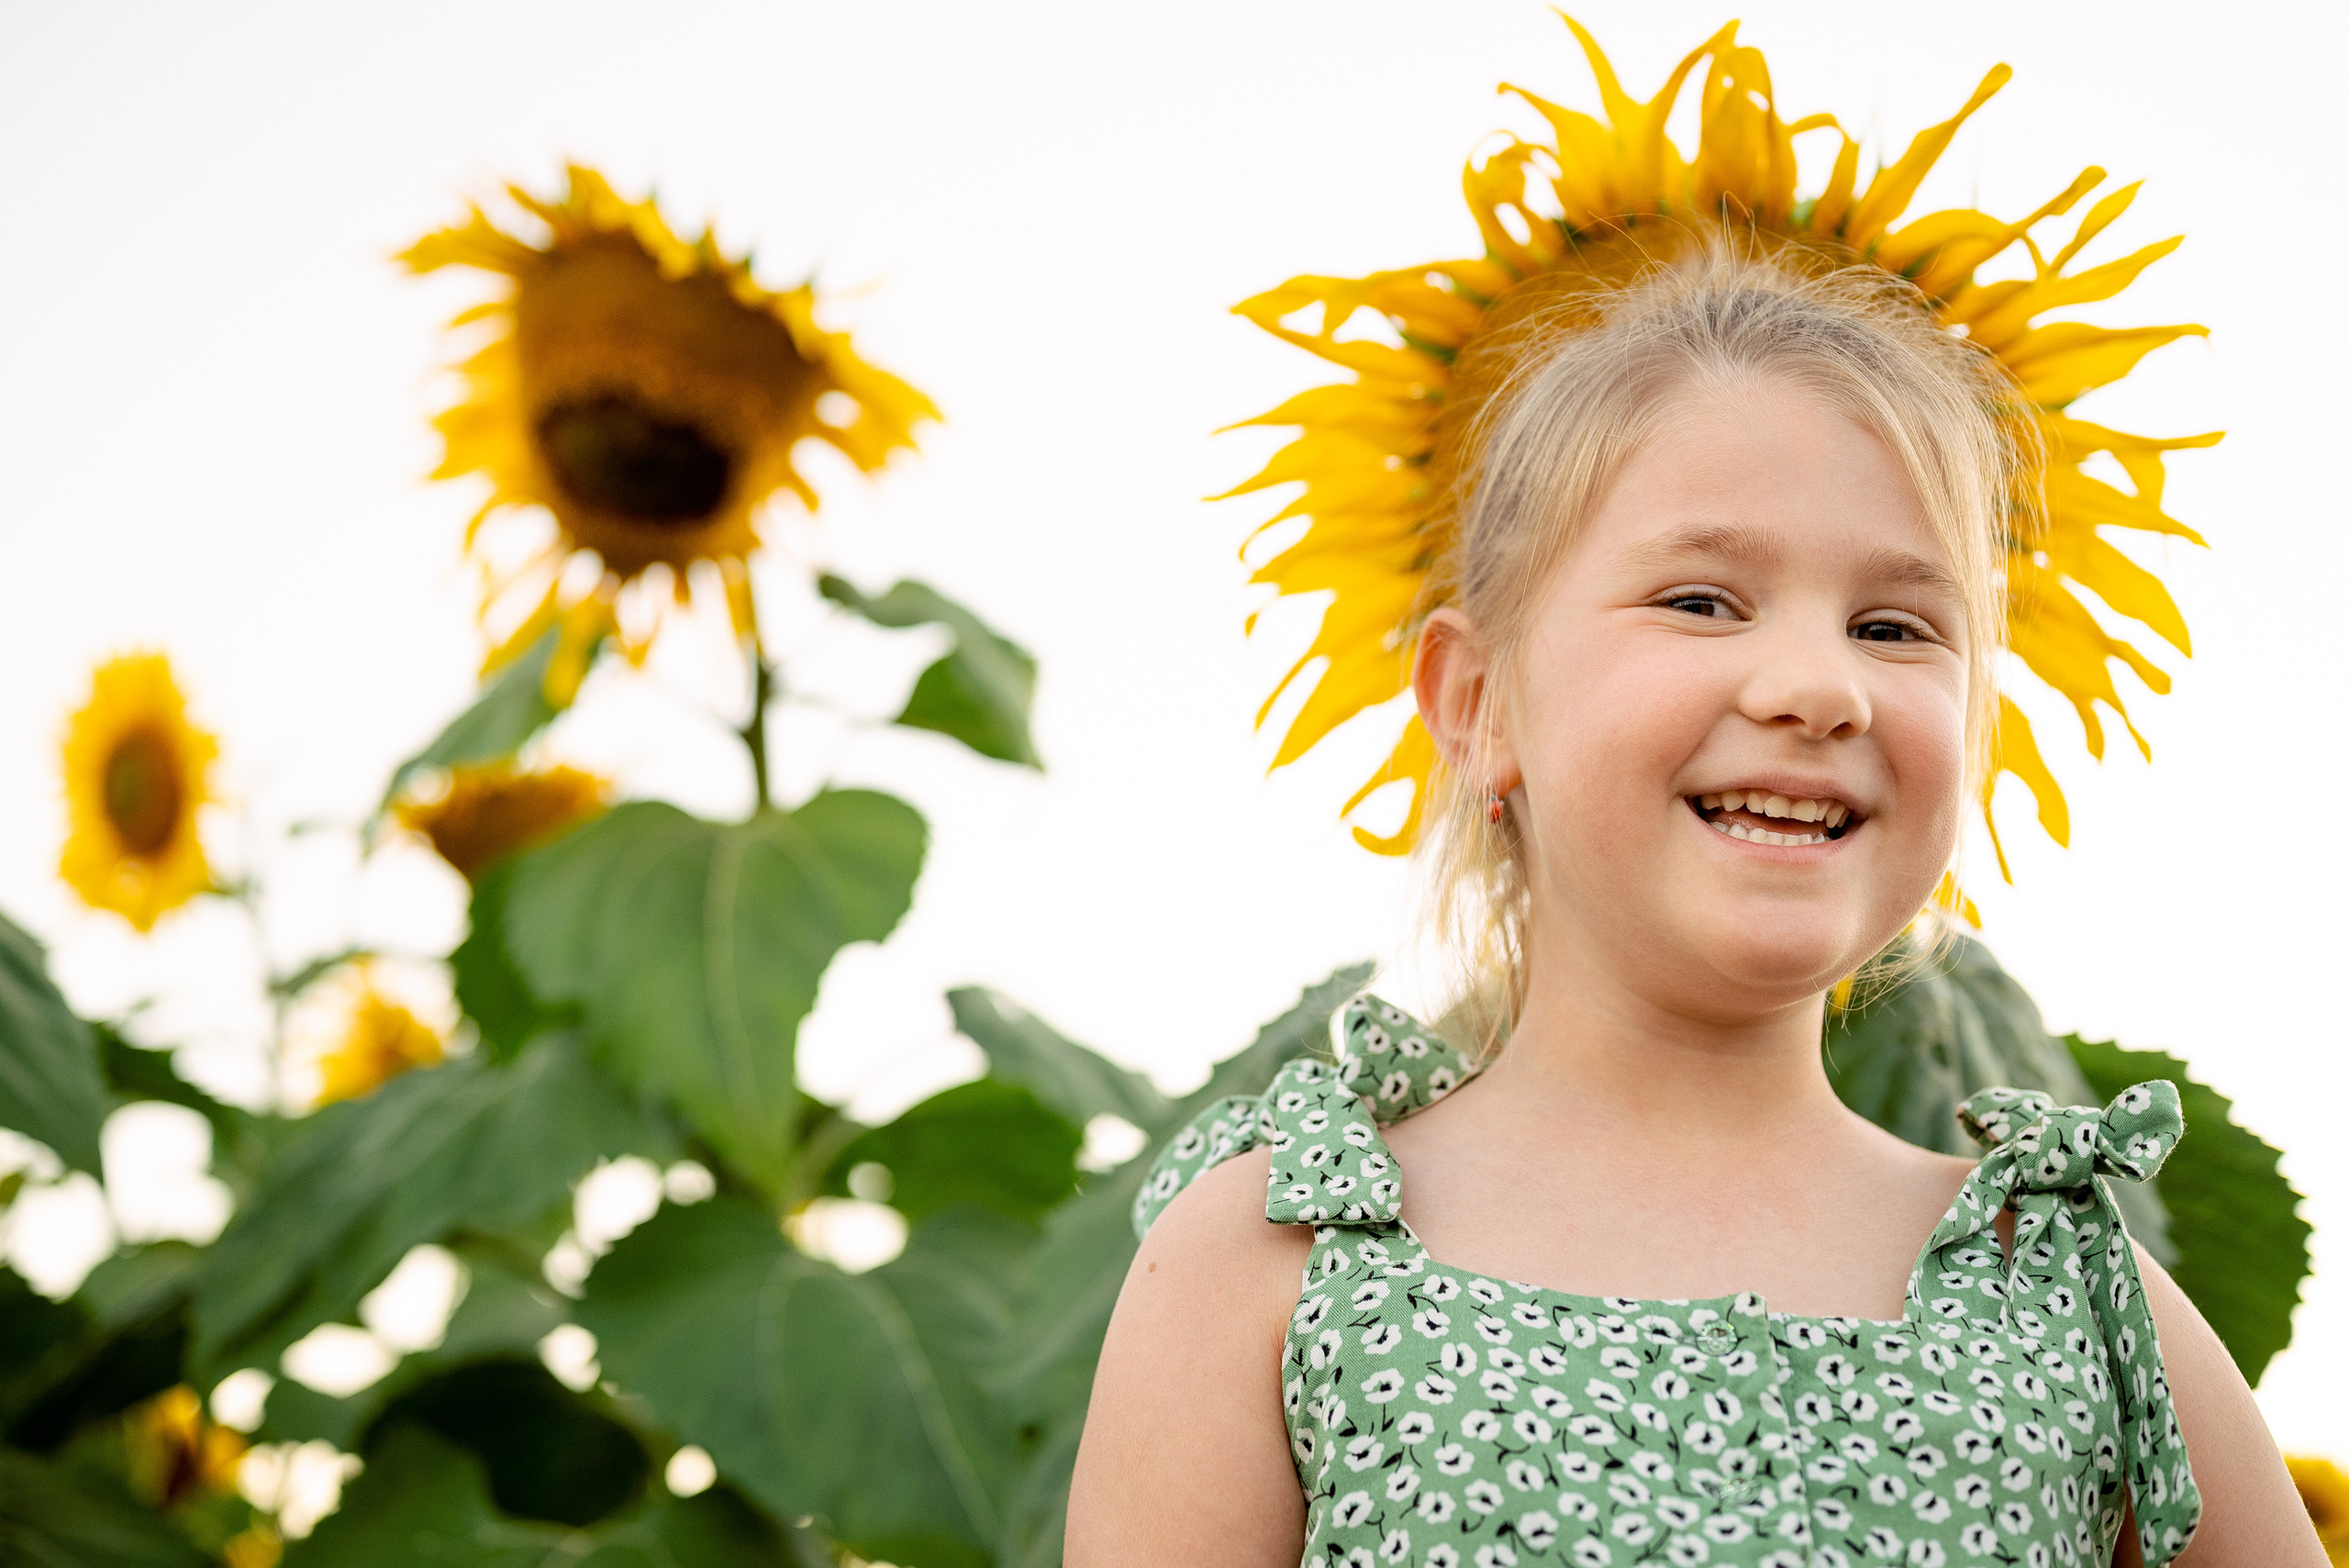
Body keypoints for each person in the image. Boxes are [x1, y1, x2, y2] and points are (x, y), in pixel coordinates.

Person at [1064, 240, 2319, 1566]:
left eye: (1896, 627)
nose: (1817, 684)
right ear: (1479, 706)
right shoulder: (1278, 1257)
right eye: (1703, 600)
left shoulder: (2064, 1289)